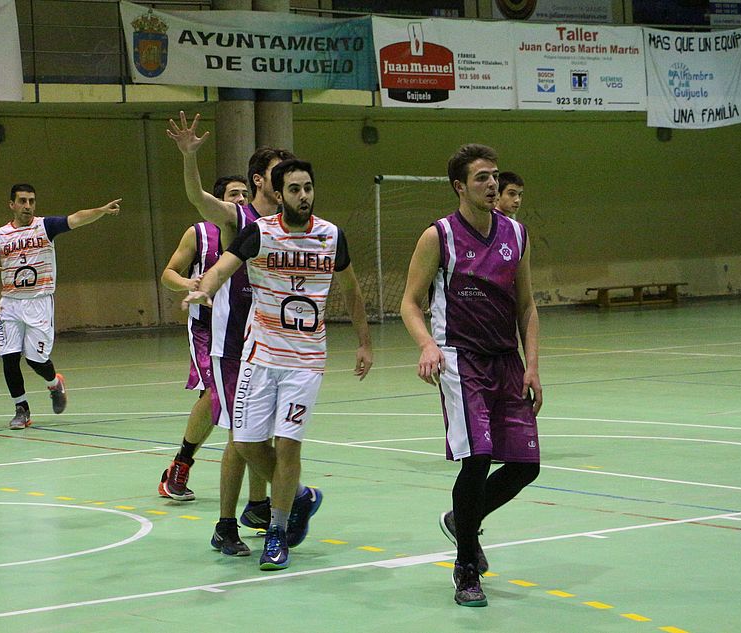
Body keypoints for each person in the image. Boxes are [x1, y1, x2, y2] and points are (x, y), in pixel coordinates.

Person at [184, 158, 373, 572]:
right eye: (294, 189)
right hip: (260, 356)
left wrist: (363, 341)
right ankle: (301, 495)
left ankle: (277, 531)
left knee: (288, 445)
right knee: (246, 443)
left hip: (305, 361)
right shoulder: (259, 232)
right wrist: (204, 290)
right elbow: (222, 267)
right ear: (279, 193)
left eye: (308, 188)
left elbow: (351, 290)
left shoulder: (331, 236)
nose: (303, 196)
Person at [400, 144, 542, 608]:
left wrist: (533, 365)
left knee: (525, 465)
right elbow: (409, 302)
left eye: (495, 176)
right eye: (482, 177)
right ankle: (465, 567)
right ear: (460, 187)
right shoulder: (438, 235)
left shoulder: (516, 233)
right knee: (477, 459)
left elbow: (527, 305)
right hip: (460, 360)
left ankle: (461, 519)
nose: (492, 184)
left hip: (507, 360)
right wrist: (427, 344)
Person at [167, 112, 295, 556]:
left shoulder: (290, 224)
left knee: (263, 433)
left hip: (274, 343)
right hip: (233, 343)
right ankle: (228, 523)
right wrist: (189, 157)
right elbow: (197, 197)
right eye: (279, 173)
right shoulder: (237, 218)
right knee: (240, 436)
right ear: (260, 179)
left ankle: (257, 508)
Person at [157, 174, 268, 518]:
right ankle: (183, 465)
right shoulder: (200, 233)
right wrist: (190, 283)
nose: (241, 199)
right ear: (218, 202)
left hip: (246, 325)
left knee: (241, 408)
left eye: (244, 194)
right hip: (207, 327)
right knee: (213, 393)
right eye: (234, 194)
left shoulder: (259, 229)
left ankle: (256, 501)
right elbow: (168, 273)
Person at [0, 184, 121, 429]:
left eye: (31, 201)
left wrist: (101, 211)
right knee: (9, 358)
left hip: (39, 302)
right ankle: (21, 409)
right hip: (10, 303)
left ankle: (54, 383)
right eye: (22, 201)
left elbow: (77, 218)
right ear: (12, 205)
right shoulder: (0, 235)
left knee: (36, 361)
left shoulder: (45, 226)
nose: (27, 206)